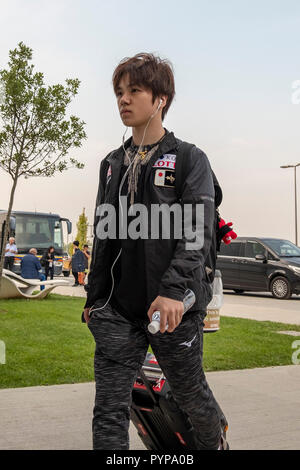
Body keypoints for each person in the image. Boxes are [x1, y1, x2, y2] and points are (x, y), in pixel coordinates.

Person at [83, 53, 229, 450]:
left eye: (134, 90)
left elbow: (197, 232)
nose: (123, 100)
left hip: (172, 308)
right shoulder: (111, 163)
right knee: (109, 410)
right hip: (117, 311)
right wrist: (95, 298)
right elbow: (103, 234)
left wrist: (172, 290)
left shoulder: (189, 158)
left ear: (160, 98)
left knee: (192, 397)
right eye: (119, 92)